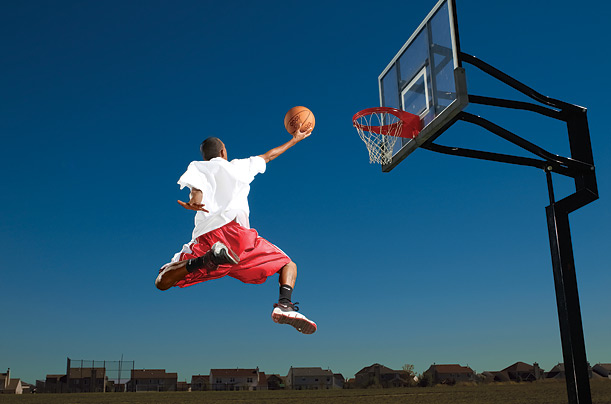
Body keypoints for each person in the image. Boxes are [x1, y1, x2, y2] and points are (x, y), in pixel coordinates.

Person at [155, 125, 317, 334]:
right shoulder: (240, 166)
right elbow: (269, 156)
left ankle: (207, 259)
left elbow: (196, 189)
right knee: (288, 264)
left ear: (206, 156)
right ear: (223, 152)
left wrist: (194, 201)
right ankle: (284, 305)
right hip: (240, 239)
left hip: (209, 237)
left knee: (162, 281)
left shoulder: (198, 167)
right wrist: (295, 139)